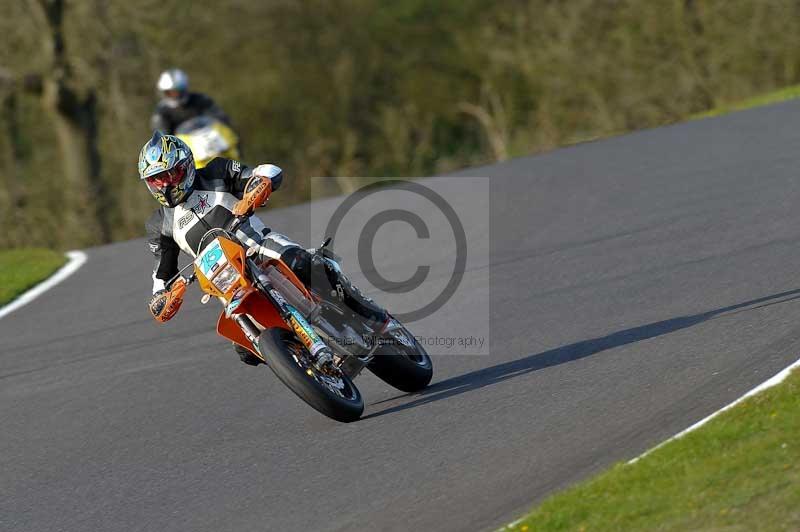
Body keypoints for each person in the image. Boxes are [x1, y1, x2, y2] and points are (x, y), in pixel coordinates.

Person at [140, 131, 388, 366]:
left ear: (187, 166)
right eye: (156, 180)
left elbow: (264, 171)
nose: (164, 185)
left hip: (259, 247)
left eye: (170, 175)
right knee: (245, 351)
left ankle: (371, 314)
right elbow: (162, 274)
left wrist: (258, 186)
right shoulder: (158, 224)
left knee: (303, 264)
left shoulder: (216, 172)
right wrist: (161, 298)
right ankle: (305, 364)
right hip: (227, 282)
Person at [150, 69, 231, 135]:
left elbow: (220, 117)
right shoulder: (161, 112)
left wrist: (221, 124)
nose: (174, 95)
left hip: (211, 138)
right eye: (170, 92)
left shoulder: (200, 99)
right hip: (185, 150)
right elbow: (161, 134)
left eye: (177, 91)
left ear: (183, 89)